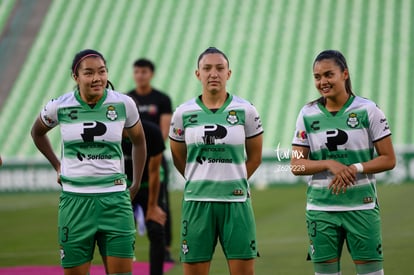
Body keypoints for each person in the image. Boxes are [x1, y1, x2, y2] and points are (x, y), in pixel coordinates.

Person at [31, 49, 147, 275]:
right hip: (75, 202)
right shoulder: (59, 106)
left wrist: (135, 184)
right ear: (76, 76)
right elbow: (37, 133)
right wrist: (58, 165)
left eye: (102, 72)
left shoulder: (124, 104)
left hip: (115, 202)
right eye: (89, 73)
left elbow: (139, 142)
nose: (97, 78)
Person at [291, 50, 396, 275]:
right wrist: (328, 164)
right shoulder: (307, 113)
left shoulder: (368, 110)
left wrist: (356, 168)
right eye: (317, 77)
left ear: (345, 74)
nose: (322, 82)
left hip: (362, 206)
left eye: (329, 74)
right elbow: (296, 165)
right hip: (321, 209)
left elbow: (389, 159)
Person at [169, 47, 263, 275]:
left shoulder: (246, 110)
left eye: (220, 68)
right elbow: (178, 157)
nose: (214, 73)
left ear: (228, 74)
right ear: (197, 74)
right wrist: (200, 180)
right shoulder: (183, 113)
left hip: (236, 203)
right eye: (207, 68)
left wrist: (233, 181)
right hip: (197, 203)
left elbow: (255, 157)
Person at [127, 58, 174, 262]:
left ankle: (166, 249)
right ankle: (125, 249)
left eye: (144, 72)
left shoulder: (162, 99)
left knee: (161, 204)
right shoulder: (126, 99)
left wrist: (150, 149)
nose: (140, 75)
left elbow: (164, 131)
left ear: (151, 74)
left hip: (155, 157)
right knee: (126, 201)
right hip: (129, 159)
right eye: (137, 71)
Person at [122, 119, 167, 275]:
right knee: (119, 232)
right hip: (124, 186)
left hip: (150, 186)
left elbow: (154, 171)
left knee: (156, 228)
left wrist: (152, 206)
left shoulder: (152, 132)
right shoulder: (109, 133)